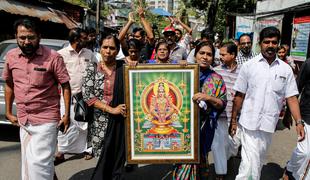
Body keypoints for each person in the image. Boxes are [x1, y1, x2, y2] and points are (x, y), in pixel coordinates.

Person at [229, 26, 305, 180]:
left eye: (274, 42)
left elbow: (291, 97)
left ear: (278, 44)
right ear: (260, 43)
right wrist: (233, 120)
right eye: (267, 42)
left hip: (268, 125)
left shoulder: (286, 70)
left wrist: (298, 121)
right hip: (248, 123)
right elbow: (239, 96)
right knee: (250, 162)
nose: (270, 45)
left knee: (258, 159)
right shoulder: (248, 66)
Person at [2, 18, 71, 180]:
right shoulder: (11, 57)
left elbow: (65, 86)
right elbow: (9, 84)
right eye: (22, 38)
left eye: (31, 37)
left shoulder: (53, 57)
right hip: (24, 119)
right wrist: (8, 112)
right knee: (29, 161)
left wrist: (66, 115)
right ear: (16, 37)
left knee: (38, 164)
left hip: (46, 119)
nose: (27, 42)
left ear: (39, 36)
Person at [173, 41, 227, 179]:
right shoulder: (183, 73)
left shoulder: (216, 79)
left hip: (203, 129)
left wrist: (208, 97)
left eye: (209, 54)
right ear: (195, 55)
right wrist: (178, 70)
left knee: (200, 160)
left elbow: (221, 103)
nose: (205, 57)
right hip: (181, 128)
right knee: (182, 163)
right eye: (201, 53)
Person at [82, 35, 127, 180]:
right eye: (105, 47)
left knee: (117, 157)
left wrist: (180, 65)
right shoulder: (92, 68)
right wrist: (111, 110)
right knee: (103, 158)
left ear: (118, 50)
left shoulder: (124, 68)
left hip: (121, 121)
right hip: (100, 121)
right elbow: (88, 96)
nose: (108, 51)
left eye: (112, 48)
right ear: (99, 49)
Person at [55, 28, 97, 162]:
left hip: (86, 96)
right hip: (67, 97)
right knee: (65, 123)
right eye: (85, 37)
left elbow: (97, 69)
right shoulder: (60, 54)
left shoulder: (89, 53)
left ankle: (87, 149)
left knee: (86, 124)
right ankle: (61, 151)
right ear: (76, 40)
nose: (88, 39)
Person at [212, 42, 241, 179]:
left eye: (223, 54)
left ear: (233, 55)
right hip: (221, 116)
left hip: (238, 116)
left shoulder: (243, 72)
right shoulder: (216, 71)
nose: (221, 57)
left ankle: (226, 164)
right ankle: (220, 174)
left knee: (234, 146)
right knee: (220, 145)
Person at [283, 58, 310, 180]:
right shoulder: (309, 63)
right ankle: (291, 169)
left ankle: (295, 173)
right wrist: (288, 113)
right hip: (307, 115)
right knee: (305, 152)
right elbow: (295, 89)